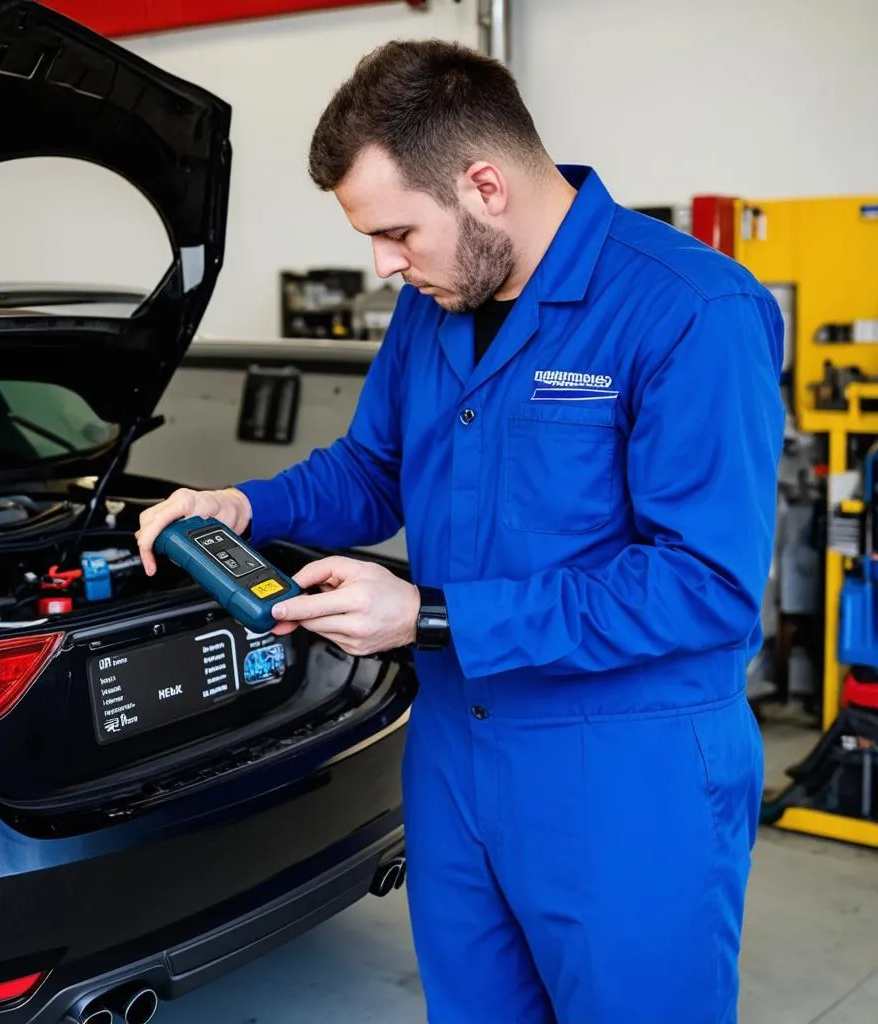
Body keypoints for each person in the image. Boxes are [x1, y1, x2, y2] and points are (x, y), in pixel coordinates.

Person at [136, 39, 785, 1024]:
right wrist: (243, 507)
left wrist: (428, 615)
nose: (383, 264)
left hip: (624, 769)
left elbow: (705, 584)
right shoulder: (434, 307)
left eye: (397, 231)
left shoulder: (689, 310)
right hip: (454, 752)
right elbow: (374, 470)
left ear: (483, 184)